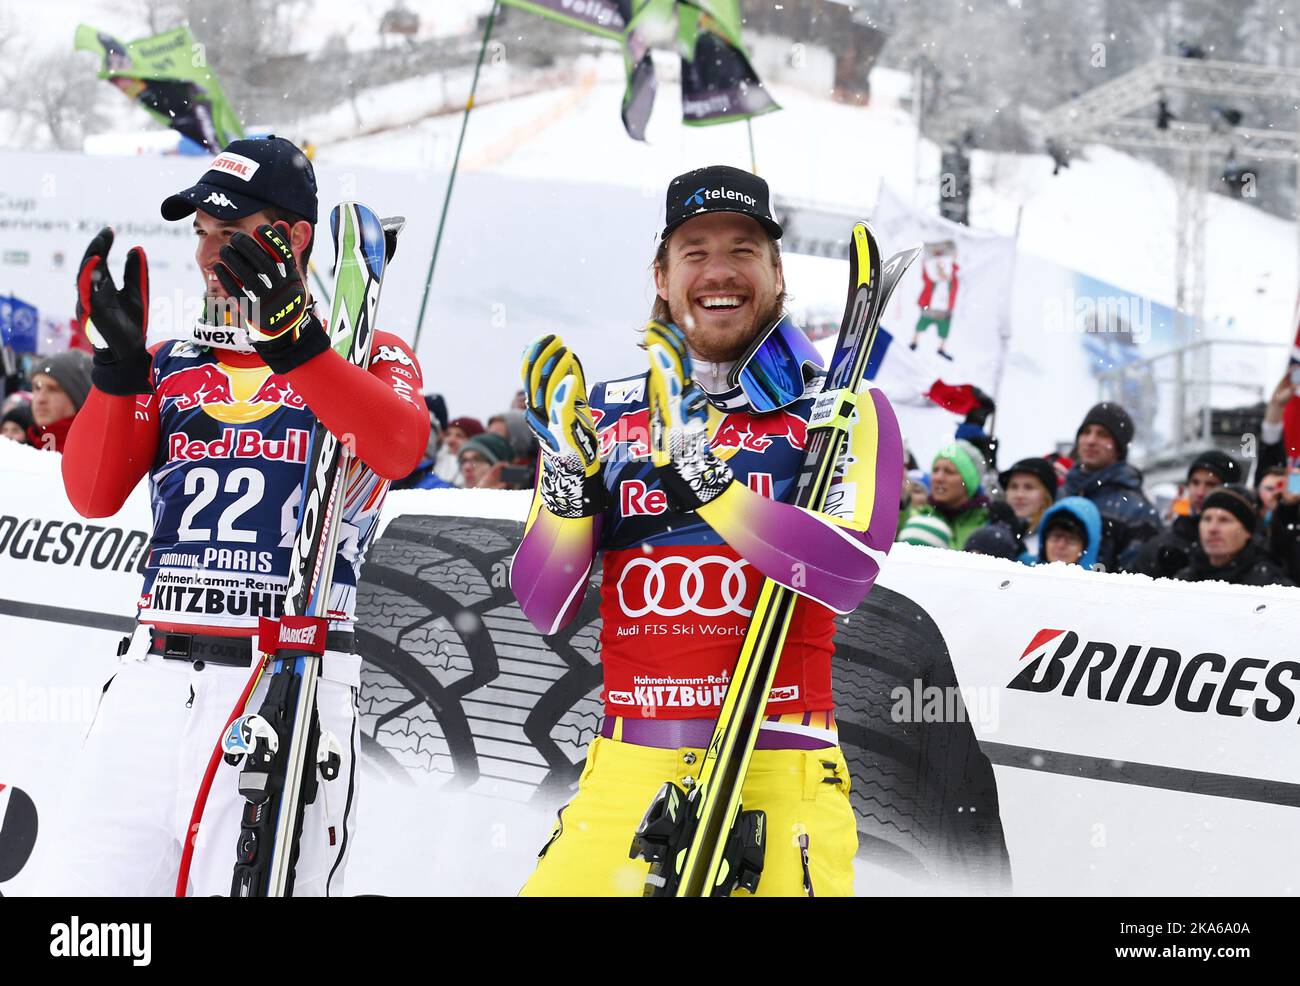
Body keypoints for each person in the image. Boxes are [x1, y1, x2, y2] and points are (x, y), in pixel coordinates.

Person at [509, 164, 903, 897]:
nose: (719, 271)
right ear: (661, 275)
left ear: (777, 271)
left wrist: (704, 478)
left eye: (743, 249)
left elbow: (847, 573)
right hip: (626, 770)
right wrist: (566, 477)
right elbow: (543, 604)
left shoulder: (841, 407)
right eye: (695, 252)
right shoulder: (605, 414)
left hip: (776, 769)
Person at [50, 136, 429, 896]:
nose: (206, 255)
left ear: (291, 239)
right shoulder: (173, 362)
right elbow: (91, 495)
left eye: (229, 234)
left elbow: (398, 446)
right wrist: (118, 372)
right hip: (152, 681)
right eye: (199, 234)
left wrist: (297, 347)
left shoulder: (365, 350)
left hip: (287, 674)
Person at [1061, 402, 1160, 570]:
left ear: (1119, 447)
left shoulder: (1137, 510)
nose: (1091, 440)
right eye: (1086, 432)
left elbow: (1135, 579)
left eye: (1102, 434)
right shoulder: (1061, 494)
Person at [1129, 450, 1241, 579]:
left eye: (1211, 484)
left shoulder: (1246, 548)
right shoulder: (1161, 546)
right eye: (1195, 483)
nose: (1200, 492)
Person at [1176, 485, 1293, 587]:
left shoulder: (1272, 588)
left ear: (1247, 531)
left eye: (1224, 520)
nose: (1212, 529)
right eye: (1207, 519)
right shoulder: (1183, 581)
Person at [899, 441, 989, 549]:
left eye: (949, 472)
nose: (938, 478)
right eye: (935, 470)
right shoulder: (917, 516)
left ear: (968, 481)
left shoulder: (987, 523)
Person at [27, 350, 92, 452]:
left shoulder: (94, 454)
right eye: (37, 388)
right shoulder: (19, 447)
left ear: (78, 397)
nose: (40, 399)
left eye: (52, 389)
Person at [997, 457, 1056, 561]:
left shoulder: (1056, 539)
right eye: (1013, 487)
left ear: (1047, 495)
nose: (1019, 495)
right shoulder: (991, 527)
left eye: (1029, 487)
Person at [1035, 496, 1102, 569]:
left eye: (1071, 539)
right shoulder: (1024, 570)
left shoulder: (1102, 580)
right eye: (1056, 536)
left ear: (1087, 546)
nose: (1060, 545)